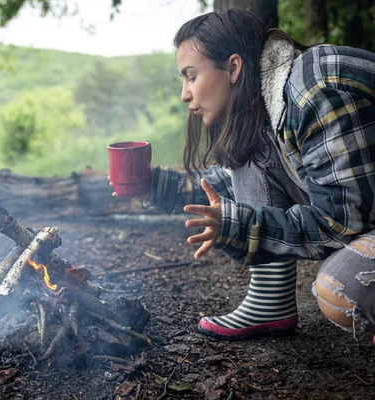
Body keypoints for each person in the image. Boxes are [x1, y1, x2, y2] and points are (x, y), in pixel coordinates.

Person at [109, 9, 375, 341]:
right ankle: (270, 303)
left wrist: (241, 226)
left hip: (357, 217)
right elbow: (239, 174)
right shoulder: (266, 99)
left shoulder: (315, 92)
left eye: (191, 76)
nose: (184, 94)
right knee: (247, 147)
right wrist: (155, 187)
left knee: (341, 291)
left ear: (233, 67)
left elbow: (340, 222)